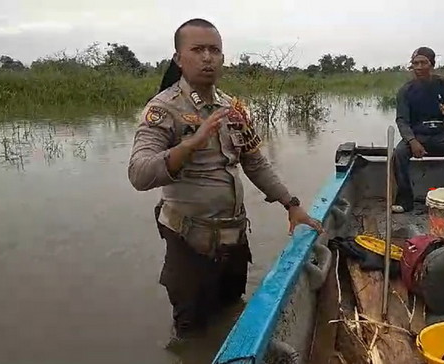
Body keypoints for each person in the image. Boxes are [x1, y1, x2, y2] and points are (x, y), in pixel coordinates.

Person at [127, 18, 324, 346]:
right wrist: (190, 145)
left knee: (233, 312)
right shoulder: (163, 109)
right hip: (189, 243)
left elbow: (255, 162)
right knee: (190, 333)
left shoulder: (233, 108)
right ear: (179, 58)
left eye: (214, 50)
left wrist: (292, 205)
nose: (207, 57)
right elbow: (139, 174)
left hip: (233, 240)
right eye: (197, 50)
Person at [392, 46, 444, 213]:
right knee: (398, 153)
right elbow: (402, 120)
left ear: (432, 64)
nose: (419, 67)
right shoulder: (405, 90)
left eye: (423, 63)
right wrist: (412, 141)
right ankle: (405, 201)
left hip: (442, 134)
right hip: (417, 135)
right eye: (415, 63)